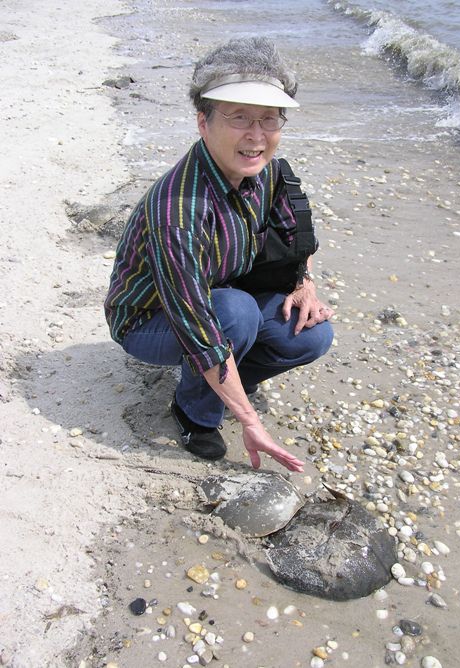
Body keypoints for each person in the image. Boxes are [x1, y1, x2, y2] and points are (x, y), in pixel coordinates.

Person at [104, 37, 334, 473]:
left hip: (221, 292)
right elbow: (195, 321)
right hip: (149, 317)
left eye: (269, 119)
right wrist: (249, 421)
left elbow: (290, 237)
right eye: (239, 117)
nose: (256, 135)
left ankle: (212, 384)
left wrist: (303, 283)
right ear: (203, 122)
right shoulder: (177, 209)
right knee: (236, 313)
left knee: (311, 335)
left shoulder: (267, 172)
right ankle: (193, 412)